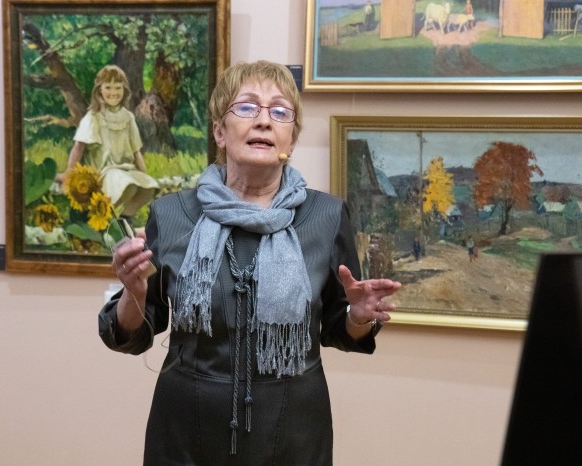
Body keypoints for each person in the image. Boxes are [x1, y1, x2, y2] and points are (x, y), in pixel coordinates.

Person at [98, 60, 401, 465]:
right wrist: (133, 292)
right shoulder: (170, 215)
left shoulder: (327, 217)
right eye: (246, 107)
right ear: (219, 132)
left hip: (293, 433)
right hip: (185, 431)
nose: (263, 120)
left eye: (280, 111)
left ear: (291, 138)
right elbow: (132, 335)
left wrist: (358, 317)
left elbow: (338, 328)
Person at [55, 64, 158, 218]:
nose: (113, 92)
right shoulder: (94, 117)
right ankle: (100, 214)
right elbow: (79, 146)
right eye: (108, 87)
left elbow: (136, 151)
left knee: (149, 187)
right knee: (128, 185)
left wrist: (144, 176)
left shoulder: (128, 117)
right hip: (103, 173)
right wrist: (68, 174)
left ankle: (125, 218)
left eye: (118, 88)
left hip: (126, 170)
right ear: (99, 91)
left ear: (124, 91)